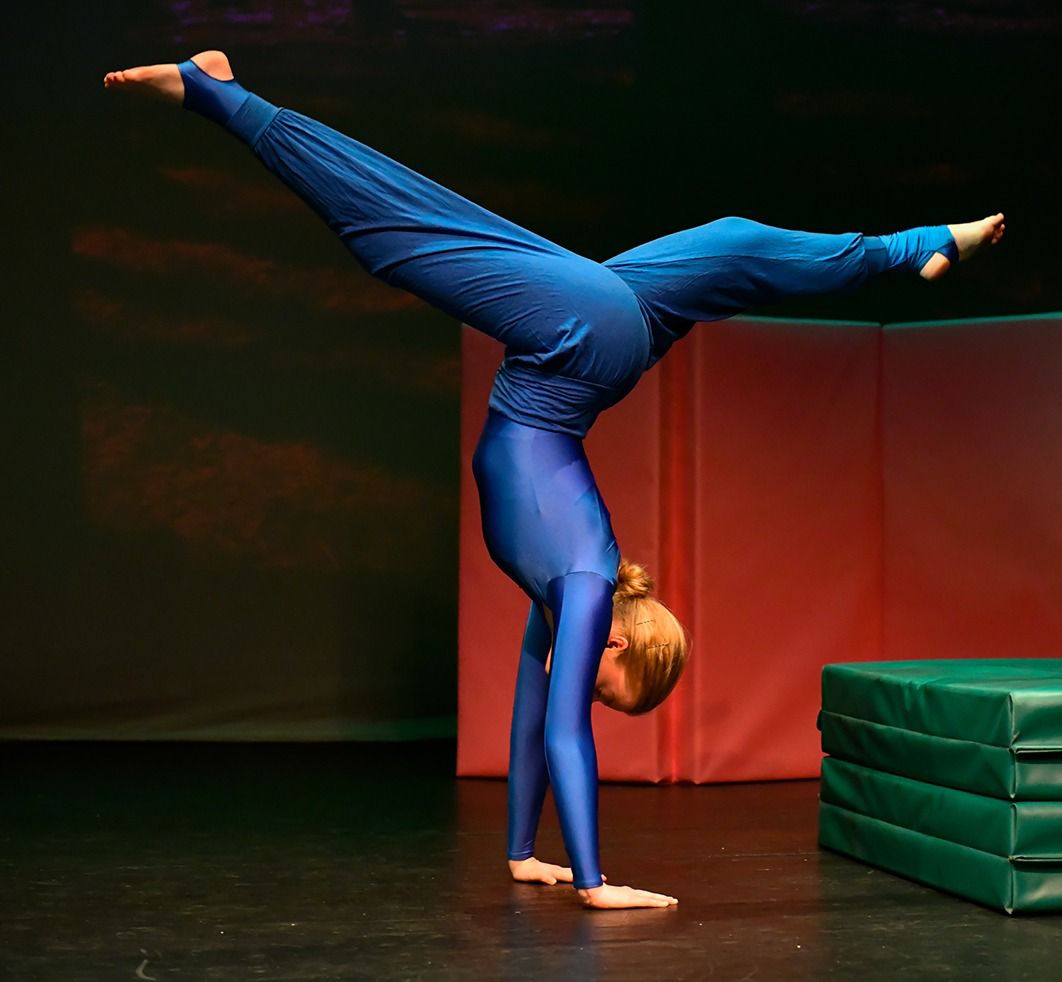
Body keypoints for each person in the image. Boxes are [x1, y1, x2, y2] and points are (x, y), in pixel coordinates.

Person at [103, 50, 1006, 910]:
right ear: (616, 651)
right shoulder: (581, 584)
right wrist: (593, 879)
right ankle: (214, 92)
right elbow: (567, 731)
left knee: (732, 249)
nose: (594, 700)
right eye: (611, 692)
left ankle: (910, 248)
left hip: (603, 340)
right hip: (584, 343)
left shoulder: (562, 597)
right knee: (397, 231)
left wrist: (521, 854)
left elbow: (533, 715)